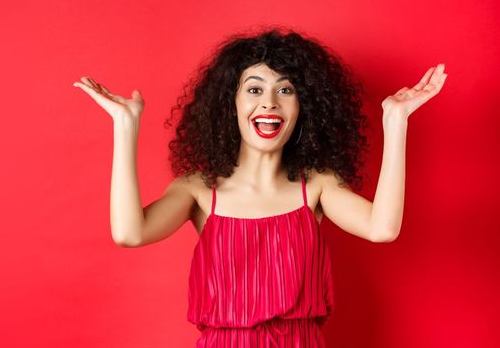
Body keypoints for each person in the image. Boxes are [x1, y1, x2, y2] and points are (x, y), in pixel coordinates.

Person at [73, 27, 447, 347]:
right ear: (230, 103)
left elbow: (382, 229)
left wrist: (395, 122)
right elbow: (129, 233)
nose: (269, 103)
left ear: (304, 107)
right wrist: (125, 127)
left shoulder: (316, 185)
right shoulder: (199, 190)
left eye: (286, 91)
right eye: (254, 90)